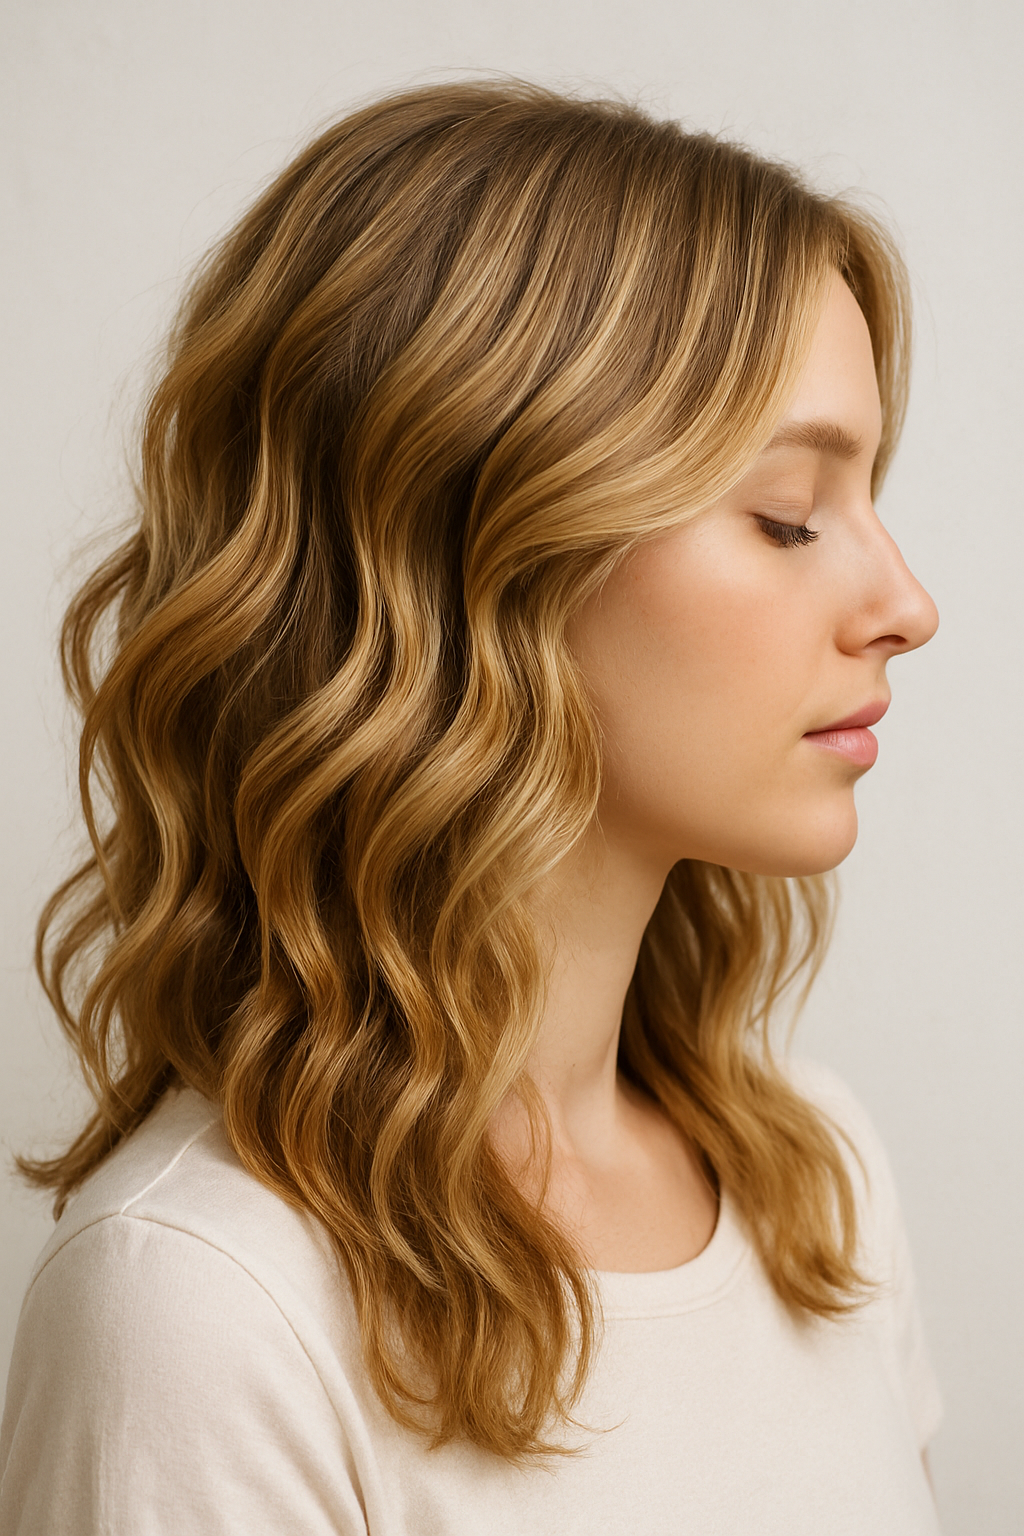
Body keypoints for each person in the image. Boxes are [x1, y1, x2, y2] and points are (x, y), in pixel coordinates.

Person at [0, 79, 942, 1534]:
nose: (906, 607)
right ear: (470, 556)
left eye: (873, 497)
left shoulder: (816, 1188)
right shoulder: (204, 1310)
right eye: (787, 515)